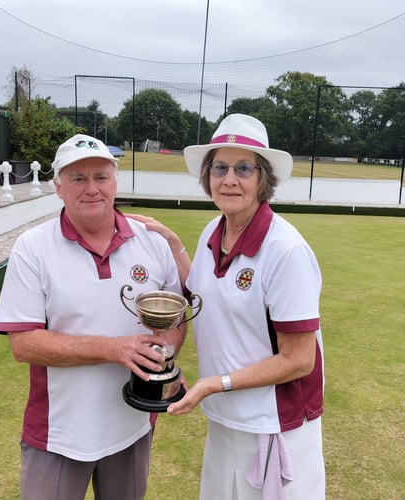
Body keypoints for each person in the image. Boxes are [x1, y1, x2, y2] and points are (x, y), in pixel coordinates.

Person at [134, 113, 326, 499]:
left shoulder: (285, 250)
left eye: (243, 168)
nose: (229, 179)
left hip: (273, 424)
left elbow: (300, 359)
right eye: (219, 167)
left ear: (263, 178)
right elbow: (206, 291)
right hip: (225, 417)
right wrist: (174, 244)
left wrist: (214, 384)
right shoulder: (213, 230)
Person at [0, 134, 186, 500]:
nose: (91, 188)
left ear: (116, 182)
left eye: (101, 176)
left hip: (132, 425)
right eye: (78, 178)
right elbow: (24, 343)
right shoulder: (32, 247)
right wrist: (113, 349)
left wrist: (165, 358)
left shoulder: (152, 242)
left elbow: (175, 320)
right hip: (59, 433)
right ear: (58, 187)